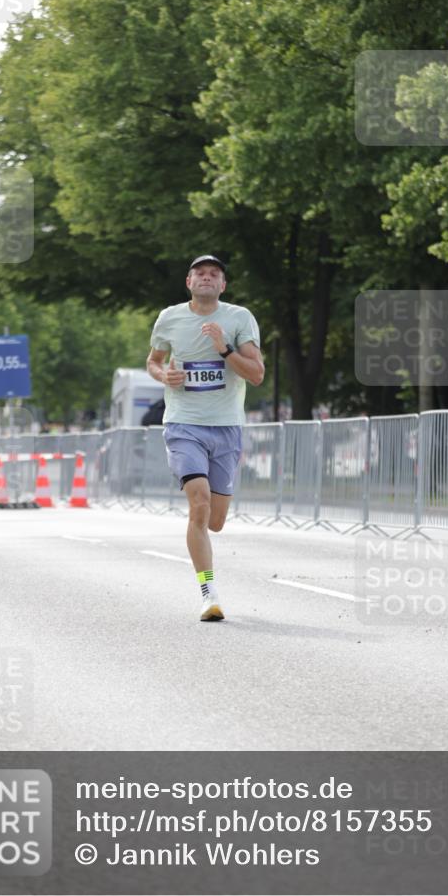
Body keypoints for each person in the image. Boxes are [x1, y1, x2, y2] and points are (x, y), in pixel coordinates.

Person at [147, 255, 264, 622]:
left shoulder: (239, 318)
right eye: (200, 273)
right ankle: (208, 593)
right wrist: (163, 375)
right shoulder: (169, 317)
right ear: (189, 281)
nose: (207, 278)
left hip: (226, 426)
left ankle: (208, 581)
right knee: (198, 504)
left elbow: (257, 375)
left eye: (214, 274)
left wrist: (224, 348)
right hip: (183, 423)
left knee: (215, 520)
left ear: (223, 285)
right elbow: (153, 361)